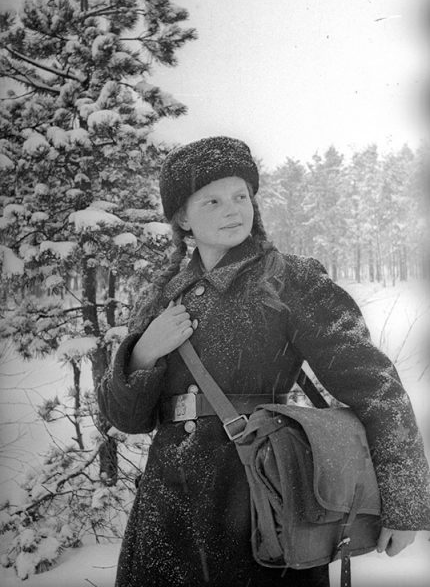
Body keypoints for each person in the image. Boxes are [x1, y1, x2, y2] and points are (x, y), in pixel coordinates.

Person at [97, 136, 430, 587]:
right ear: (181, 218)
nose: (232, 209)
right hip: (167, 510)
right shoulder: (162, 291)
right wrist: (143, 352)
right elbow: (126, 418)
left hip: (264, 500)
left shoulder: (289, 279)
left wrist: (404, 500)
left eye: (240, 196)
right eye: (211, 201)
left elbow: (375, 386)